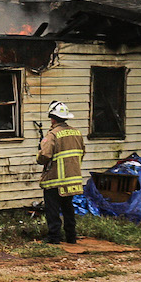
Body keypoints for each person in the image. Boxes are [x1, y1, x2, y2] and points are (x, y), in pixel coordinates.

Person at [37, 100, 85, 245]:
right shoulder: (77, 133)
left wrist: (39, 158)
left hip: (55, 180)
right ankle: (71, 237)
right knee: (68, 209)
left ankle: (54, 238)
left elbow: (44, 155)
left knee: (53, 210)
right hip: (72, 179)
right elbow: (82, 152)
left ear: (52, 117)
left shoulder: (52, 135)